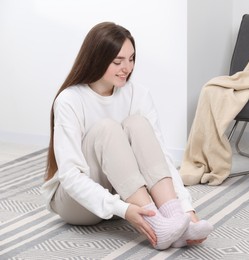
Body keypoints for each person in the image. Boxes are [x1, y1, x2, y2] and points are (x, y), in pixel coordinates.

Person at [42, 21, 213, 250]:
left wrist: (187, 212)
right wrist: (123, 210)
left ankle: (172, 221)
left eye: (131, 59)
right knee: (107, 128)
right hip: (77, 204)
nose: (127, 68)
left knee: (138, 124)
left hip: (122, 195)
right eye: (117, 61)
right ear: (97, 59)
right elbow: (70, 176)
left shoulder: (138, 95)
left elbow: (160, 158)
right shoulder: (70, 99)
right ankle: (156, 222)